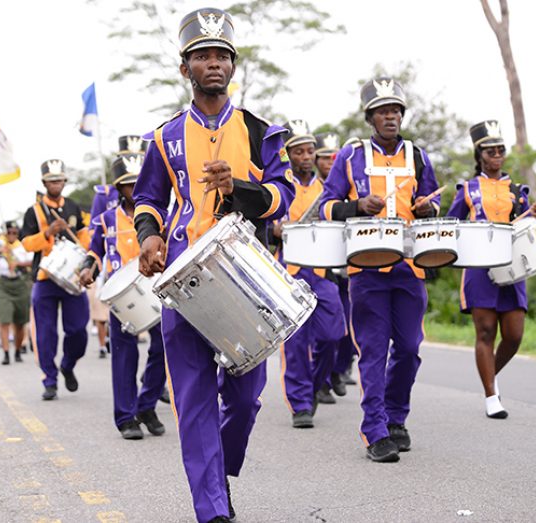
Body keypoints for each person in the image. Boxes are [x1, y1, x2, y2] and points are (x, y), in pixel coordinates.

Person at [132, 8, 295, 522]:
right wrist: (150, 236)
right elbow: (148, 199)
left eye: (222, 56)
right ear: (185, 69)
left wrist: (238, 189)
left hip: (246, 279)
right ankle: (212, 509)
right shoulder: (163, 136)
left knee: (246, 398)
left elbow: (282, 196)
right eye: (203, 56)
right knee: (195, 399)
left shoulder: (260, 131)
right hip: (184, 280)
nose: (214, 64)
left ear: (233, 65)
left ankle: (217, 470)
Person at [320, 77, 441, 463]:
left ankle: (395, 417)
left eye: (396, 110)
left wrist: (427, 208)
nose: (390, 117)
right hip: (365, 267)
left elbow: (433, 202)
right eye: (383, 111)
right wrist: (356, 207)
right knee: (372, 350)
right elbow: (326, 206)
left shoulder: (418, 155)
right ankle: (375, 429)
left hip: (409, 267)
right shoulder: (350, 155)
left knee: (408, 348)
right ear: (370, 117)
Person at [446, 120, 536, 419]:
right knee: (486, 331)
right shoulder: (467, 189)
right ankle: (491, 396)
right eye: (490, 151)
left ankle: (490, 375)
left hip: (513, 266)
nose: (497, 156)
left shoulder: (517, 190)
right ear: (480, 156)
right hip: (479, 269)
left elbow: (529, 225)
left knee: (514, 335)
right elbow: (453, 225)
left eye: (500, 150)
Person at [80, 155, 167, 440]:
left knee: (164, 349)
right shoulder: (106, 220)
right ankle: (126, 417)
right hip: (123, 295)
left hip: (156, 288)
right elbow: (95, 252)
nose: (135, 188)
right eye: (129, 184)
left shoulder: (159, 215)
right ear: (119, 187)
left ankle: (147, 405)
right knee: (124, 354)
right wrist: (87, 268)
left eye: (138, 182)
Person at [271, 120, 346, 427]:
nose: (305, 156)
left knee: (333, 335)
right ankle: (300, 403)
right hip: (288, 272)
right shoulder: (280, 185)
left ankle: (315, 386)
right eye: (298, 151)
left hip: (321, 272)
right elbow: (262, 222)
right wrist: (274, 228)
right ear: (288, 155)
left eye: (309, 151)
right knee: (296, 342)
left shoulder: (327, 189)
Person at [21, 159, 91, 401]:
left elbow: (85, 236)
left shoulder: (74, 207)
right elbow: (26, 243)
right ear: (44, 183)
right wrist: (48, 233)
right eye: (51, 181)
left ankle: (68, 365)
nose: (55, 184)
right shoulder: (35, 210)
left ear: (64, 181)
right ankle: (49, 380)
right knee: (45, 333)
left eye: (59, 180)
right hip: (45, 278)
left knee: (78, 330)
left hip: (71, 278)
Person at [314, 131, 357, 396]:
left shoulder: (348, 182)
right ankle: (324, 380)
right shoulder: (313, 187)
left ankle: (340, 369)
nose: (331, 161)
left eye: (334, 156)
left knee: (349, 327)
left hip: (349, 261)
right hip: (323, 265)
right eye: (325, 157)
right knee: (330, 327)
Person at [0, 221, 33, 365]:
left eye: (15, 233)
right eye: (9, 233)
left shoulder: (22, 247)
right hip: (4, 285)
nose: (12, 235)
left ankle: (18, 349)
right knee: (5, 320)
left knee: (20, 322)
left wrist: (18, 263)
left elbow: (32, 261)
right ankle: (6, 353)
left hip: (20, 284)